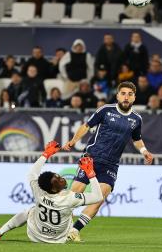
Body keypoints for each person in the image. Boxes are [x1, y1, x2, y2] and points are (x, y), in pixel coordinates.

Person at [63, 82, 153, 242]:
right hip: (91, 158)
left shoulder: (136, 119)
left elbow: (137, 139)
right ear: (117, 95)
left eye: (130, 94)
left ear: (134, 97)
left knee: (100, 197)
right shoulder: (105, 110)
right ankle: (61, 226)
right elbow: (86, 126)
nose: (126, 97)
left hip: (111, 164)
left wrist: (144, 151)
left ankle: (74, 231)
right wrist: (73, 141)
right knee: (74, 194)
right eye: (123, 93)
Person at [0, 143, 103, 243]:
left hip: (35, 236)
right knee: (68, 213)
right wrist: (90, 173)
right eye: (58, 180)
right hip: (59, 240)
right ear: (53, 189)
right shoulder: (70, 198)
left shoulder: (39, 191)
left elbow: (32, 173)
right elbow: (98, 197)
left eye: (58, 176)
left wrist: (45, 154)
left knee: (30, 211)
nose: (62, 179)